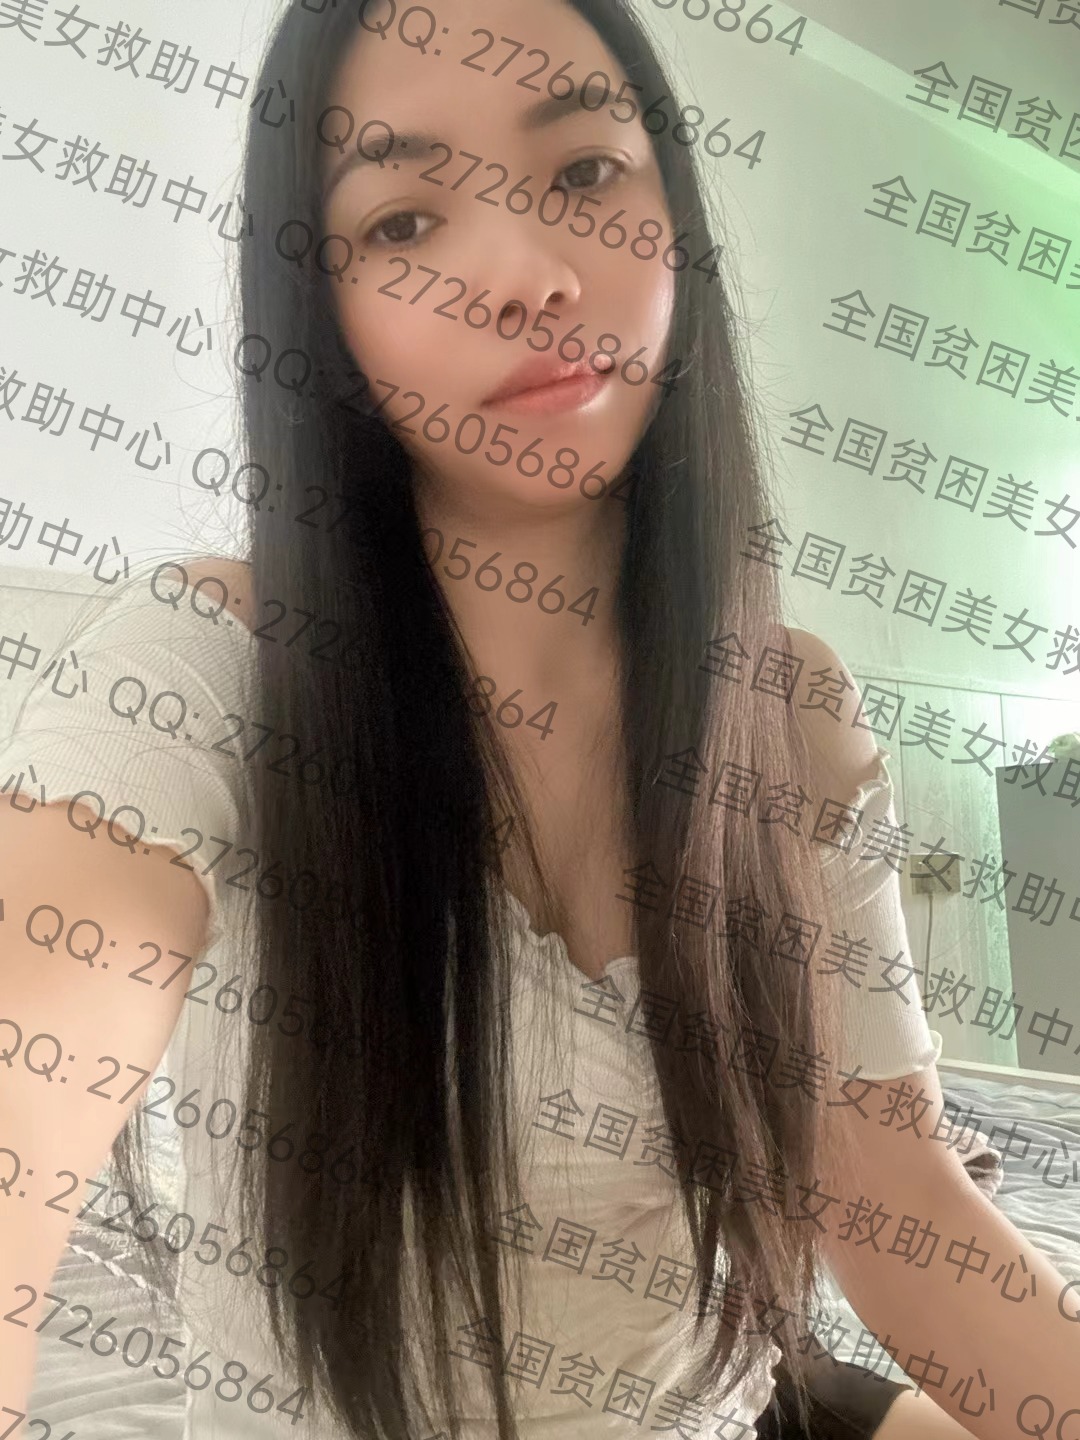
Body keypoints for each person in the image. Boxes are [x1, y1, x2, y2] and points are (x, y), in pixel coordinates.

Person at [1, 2, 1077, 1439]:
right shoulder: (206, 676)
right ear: (317, 304)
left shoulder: (792, 713)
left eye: (584, 172)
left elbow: (896, 1202)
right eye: (402, 221)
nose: (527, 274)